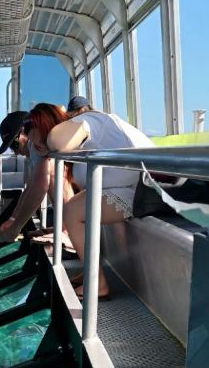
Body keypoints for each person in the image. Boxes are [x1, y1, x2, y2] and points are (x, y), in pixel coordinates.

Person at [30, 102, 154, 300]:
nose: (31, 141)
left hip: (150, 189)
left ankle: (98, 285)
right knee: (76, 206)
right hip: (136, 187)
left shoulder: (87, 121)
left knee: (73, 211)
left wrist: (47, 143)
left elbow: (56, 141)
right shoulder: (80, 144)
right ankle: (90, 274)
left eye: (31, 128)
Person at [0, 109, 77, 244]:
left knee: (52, 172)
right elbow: (29, 188)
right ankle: (65, 227)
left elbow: (40, 187)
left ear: (24, 131)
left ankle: (68, 230)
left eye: (14, 144)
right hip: (84, 197)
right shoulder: (35, 150)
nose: (15, 152)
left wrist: (14, 229)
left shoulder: (36, 146)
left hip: (95, 192)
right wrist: (12, 220)